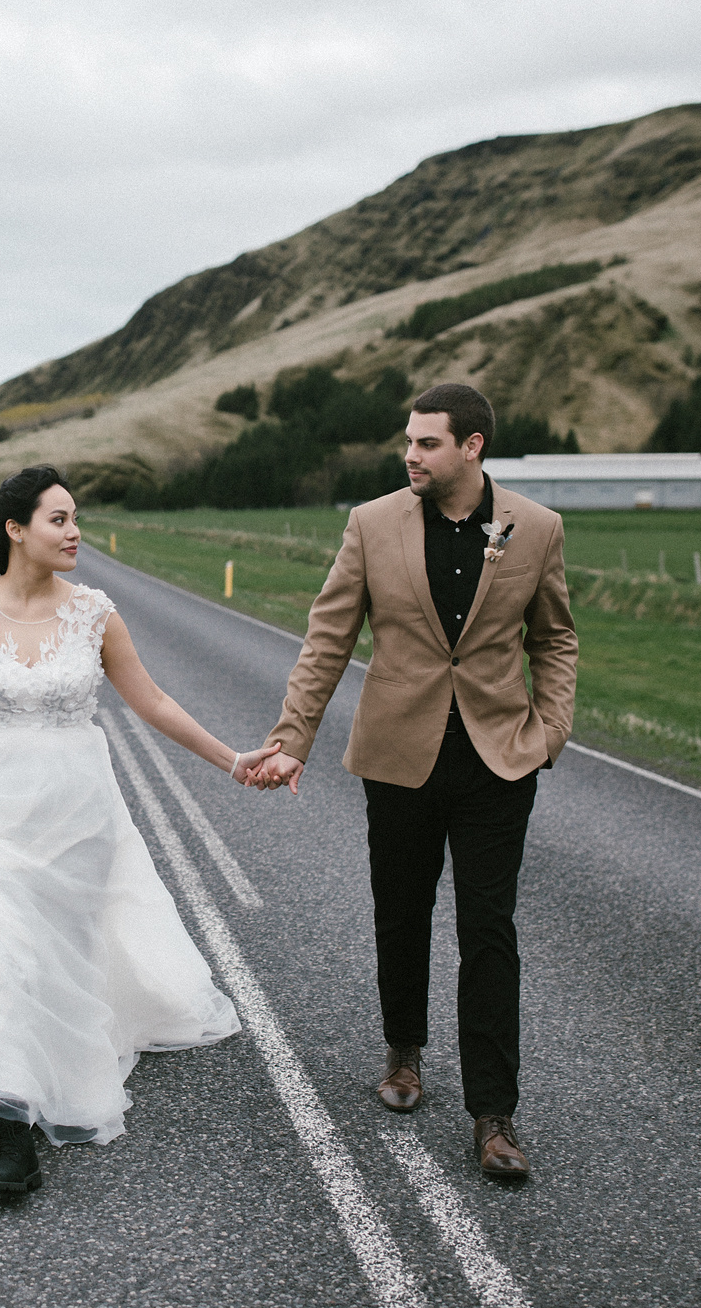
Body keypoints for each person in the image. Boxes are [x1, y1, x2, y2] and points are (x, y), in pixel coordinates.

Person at [0, 465, 279, 1195]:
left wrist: (233, 760)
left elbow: (152, 700)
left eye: (75, 519)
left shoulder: (95, 613)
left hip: (77, 814)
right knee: (0, 956)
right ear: (16, 529)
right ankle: (11, 1129)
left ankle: (41, 1070)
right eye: (59, 519)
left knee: (51, 956)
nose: (75, 533)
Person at [252, 383, 576, 1179]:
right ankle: (404, 1054)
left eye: (427, 442)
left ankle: (494, 1116)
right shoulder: (372, 524)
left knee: (489, 934)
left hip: (499, 759)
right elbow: (328, 638)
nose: (410, 454)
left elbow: (556, 639)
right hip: (399, 756)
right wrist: (292, 737)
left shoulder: (535, 528)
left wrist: (550, 732)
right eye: (408, 441)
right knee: (401, 914)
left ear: (472, 447)